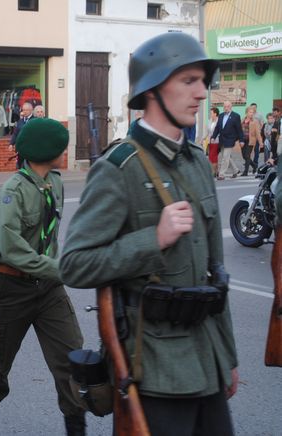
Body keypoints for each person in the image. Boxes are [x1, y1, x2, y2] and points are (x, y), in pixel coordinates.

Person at [60, 32, 238, 436]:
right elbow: (74, 264)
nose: (201, 93)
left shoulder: (196, 163)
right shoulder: (120, 168)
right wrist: (151, 240)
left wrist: (226, 357)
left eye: (202, 81)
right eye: (188, 81)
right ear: (154, 89)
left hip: (206, 360)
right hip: (154, 370)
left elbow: (217, 274)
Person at [0, 118, 86, 436]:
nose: (62, 151)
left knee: (72, 359)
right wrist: (61, 269)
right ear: (44, 150)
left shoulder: (56, 182)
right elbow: (12, 249)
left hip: (48, 287)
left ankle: (76, 426)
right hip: (9, 286)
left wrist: (57, 269)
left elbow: (49, 238)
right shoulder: (14, 191)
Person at [212, 101, 244, 180]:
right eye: (225, 107)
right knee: (226, 156)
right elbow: (217, 128)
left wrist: (241, 140)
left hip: (230, 139)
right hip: (222, 139)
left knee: (225, 157)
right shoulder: (221, 115)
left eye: (228, 106)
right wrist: (213, 137)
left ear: (231, 107)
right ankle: (236, 170)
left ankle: (221, 174)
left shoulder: (236, 116)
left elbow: (239, 129)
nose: (226, 108)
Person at [9, 102, 34, 168]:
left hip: (31, 149)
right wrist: (11, 144)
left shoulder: (35, 120)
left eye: (26, 110)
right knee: (21, 167)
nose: (24, 112)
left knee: (29, 167)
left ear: (31, 110)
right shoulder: (20, 121)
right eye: (23, 110)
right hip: (20, 149)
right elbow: (15, 133)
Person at [242, 106, 262, 176]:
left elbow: (258, 133)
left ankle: (245, 172)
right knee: (244, 156)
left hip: (250, 141)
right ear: (246, 112)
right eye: (250, 112)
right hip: (243, 141)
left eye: (252, 112)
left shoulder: (255, 121)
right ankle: (254, 165)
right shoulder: (243, 120)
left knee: (247, 155)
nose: (251, 114)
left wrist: (260, 142)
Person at [205, 107, 220, 176]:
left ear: (215, 113)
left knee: (212, 157)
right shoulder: (210, 120)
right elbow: (207, 131)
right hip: (210, 142)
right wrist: (204, 138)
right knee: (213, 157)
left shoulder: (219, 121)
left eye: (211, 113)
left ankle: (213, 172)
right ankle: (216, 171)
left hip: (217, 141)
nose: (210, 114)